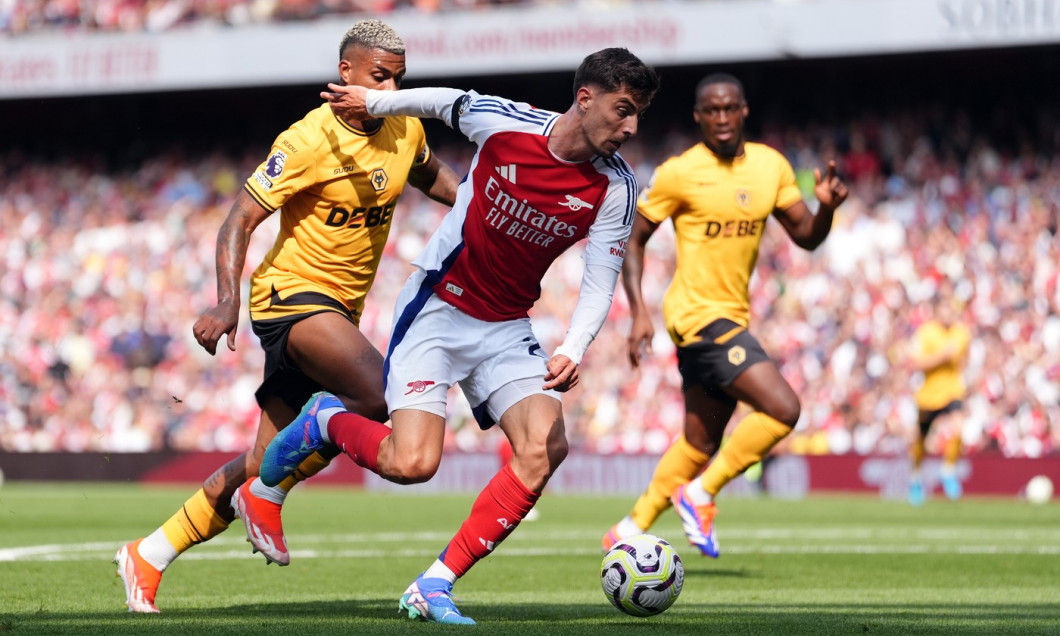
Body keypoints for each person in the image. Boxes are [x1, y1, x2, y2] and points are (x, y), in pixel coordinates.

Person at [259, 47, 660, 624]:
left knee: (545, 449)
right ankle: (324, 420)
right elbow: (445, 103)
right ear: (585, 98)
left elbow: (600, 281)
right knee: (412, 464)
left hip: (506, 326)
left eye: (638, 115)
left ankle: (433, 584)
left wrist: (573, 347)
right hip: (437, 311)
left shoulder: (616, 188)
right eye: (623, 109)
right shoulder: (507, 125)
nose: (631, 126)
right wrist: (375, 101)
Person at [112, 20, 460, 613]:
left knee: (260, 463)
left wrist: (490, 209)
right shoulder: (307, 140)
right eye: (380, 76)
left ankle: (149, 552)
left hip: (339, 313)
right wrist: (226, 300)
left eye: (399, 79)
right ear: (345, 72)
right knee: (379, 396)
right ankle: (271, 490)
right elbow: (238, 220)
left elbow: (433, 178)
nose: (389, 88)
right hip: (290, 299)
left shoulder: (405, 126)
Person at [601, 73, 848, 558]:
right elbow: (634, 239)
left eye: (728, 108)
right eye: (710, 110)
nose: (720, 118)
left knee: (699, 440)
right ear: (698, 116)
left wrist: (826, 210)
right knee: (783, 409)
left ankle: (630, 527)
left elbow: (807, 236)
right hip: (697, 317)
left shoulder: (770, 167)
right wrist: (638, 313)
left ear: (743, 111)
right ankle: (700, 494)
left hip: (731, 317)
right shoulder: (680, 172)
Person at [906, 293, 972, 505]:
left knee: (959, 426)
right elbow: (916, 363)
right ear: (937, 313)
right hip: (928, 396)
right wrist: (942, 356)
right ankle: (915, 477)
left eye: (951, 311)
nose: (948, 315)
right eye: (944, 311)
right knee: (920, 441)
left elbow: (964, 359)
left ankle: (948, 470)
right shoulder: (926, 333)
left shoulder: (961, 332)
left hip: (952, 391)